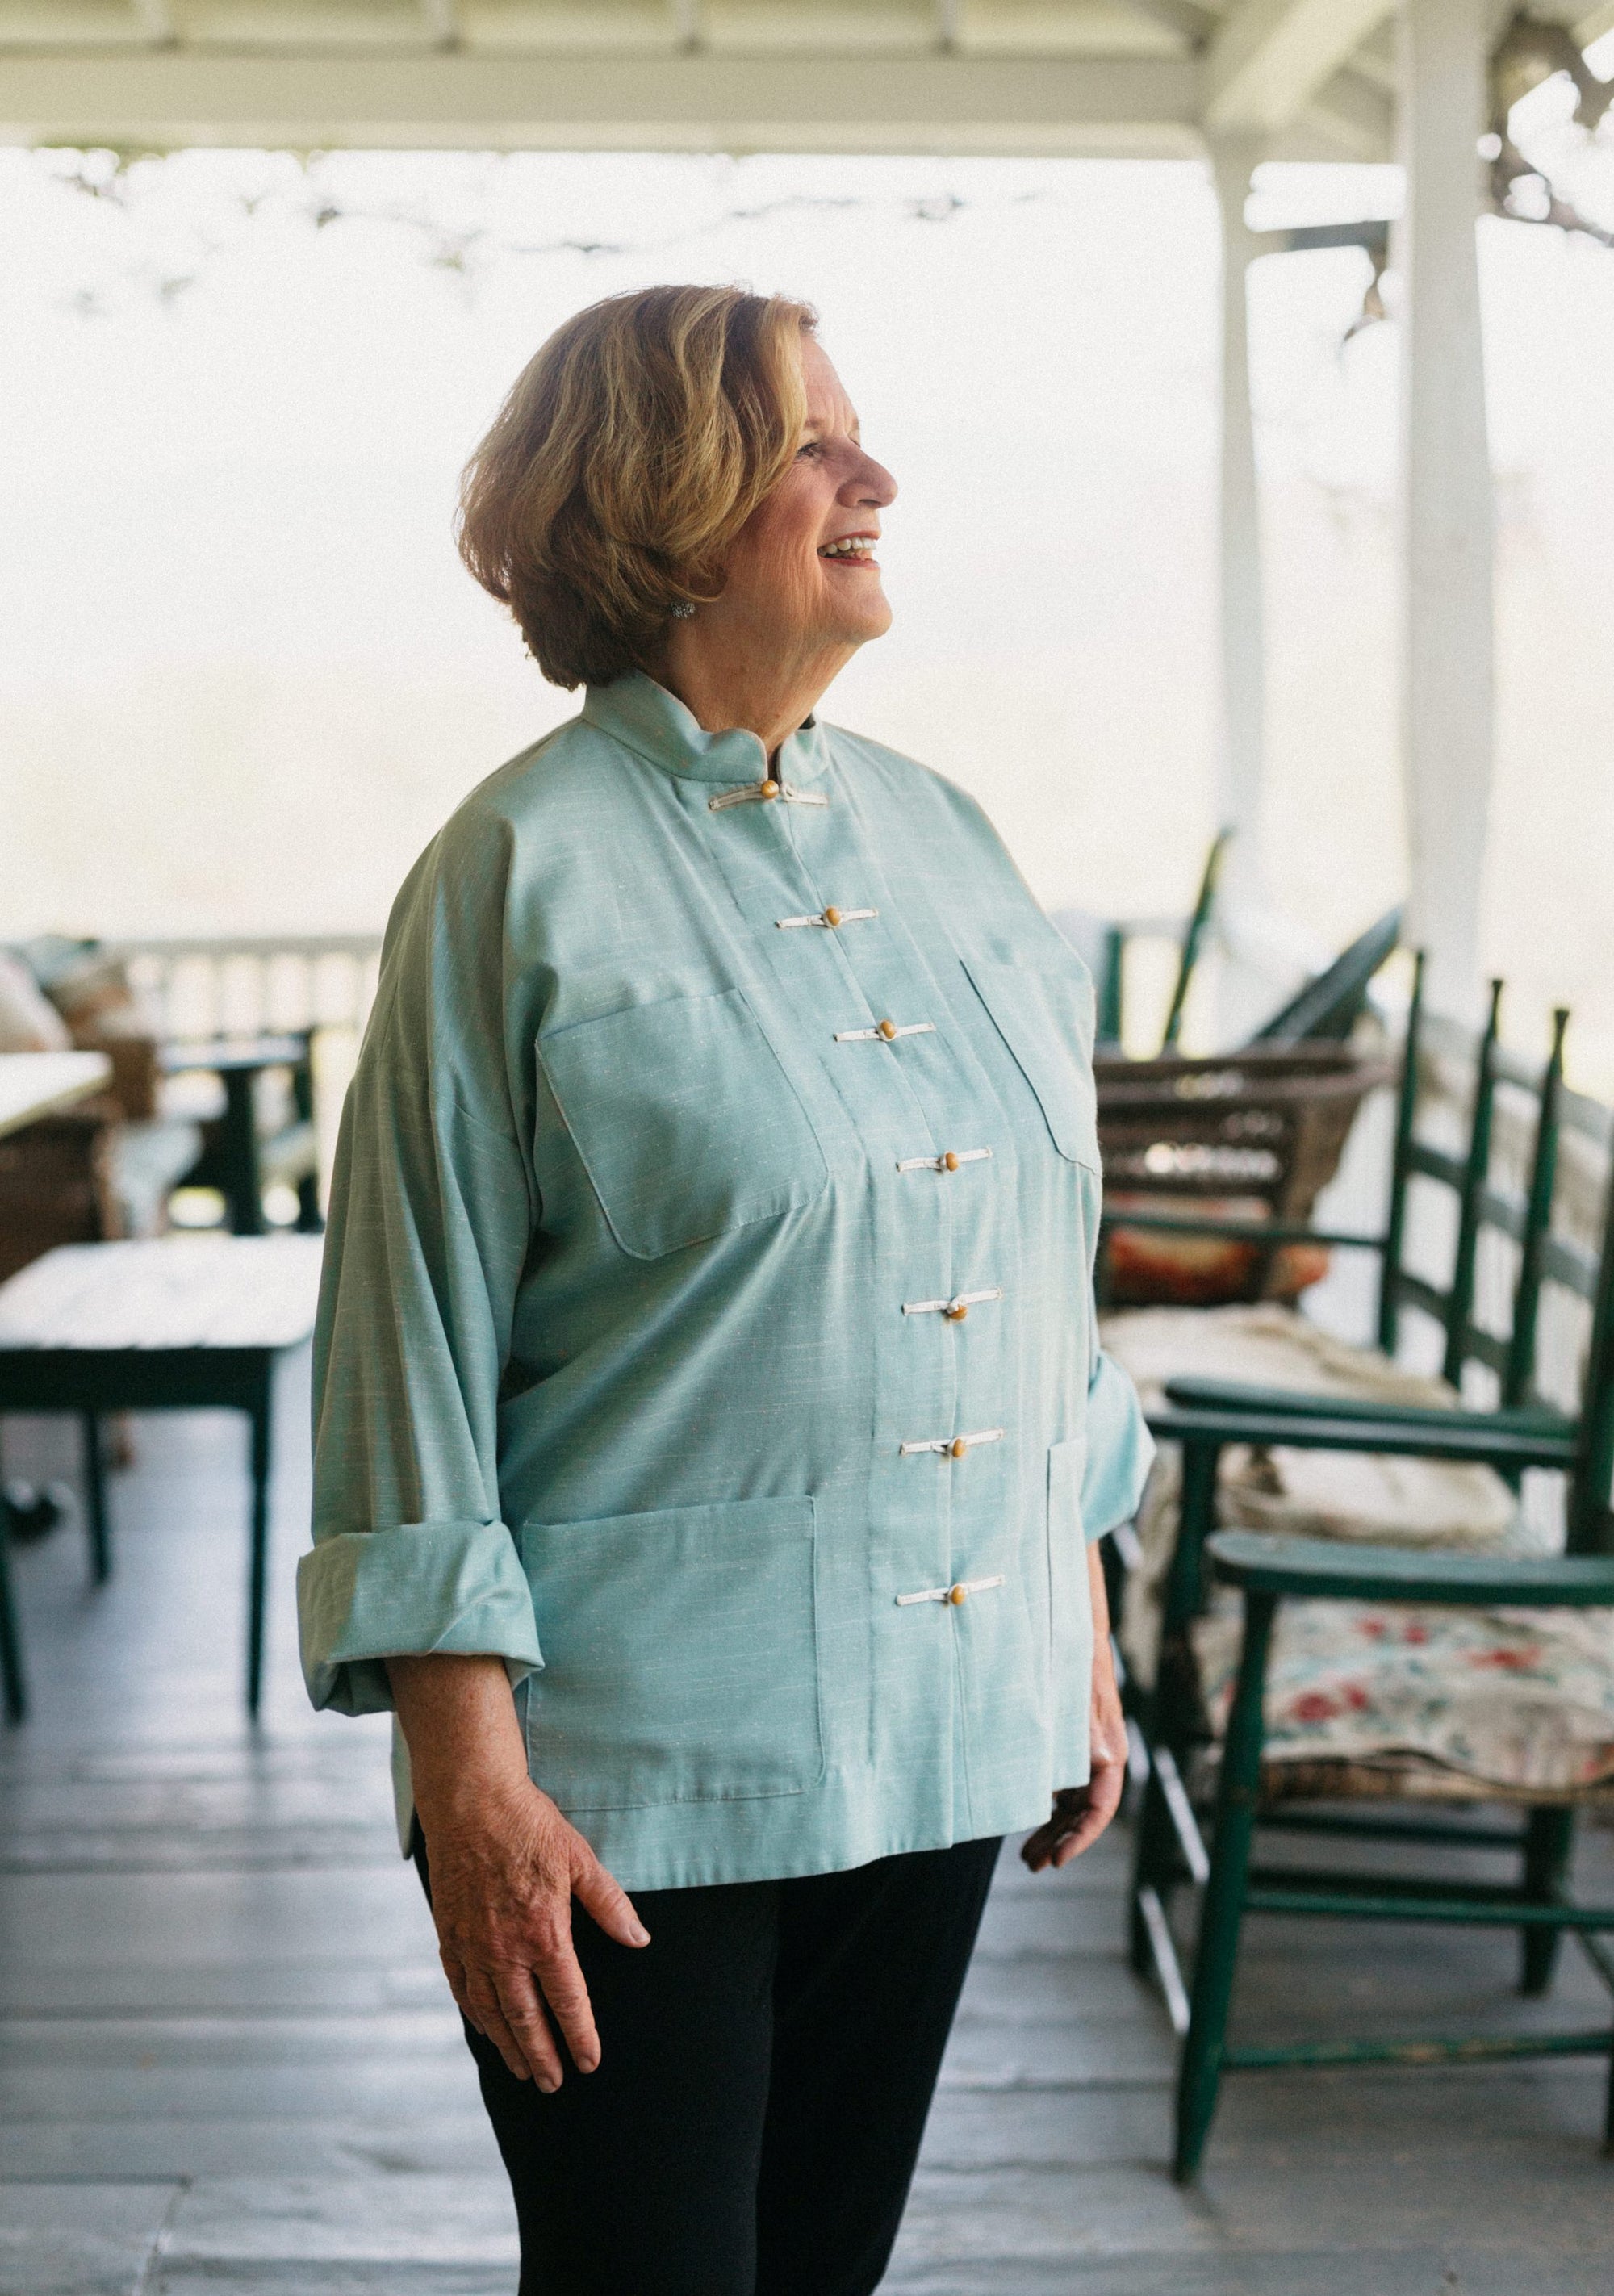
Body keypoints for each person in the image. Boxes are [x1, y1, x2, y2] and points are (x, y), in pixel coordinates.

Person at [298, 282, 1154, 2296]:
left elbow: (1043, 1279)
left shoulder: (951, 840)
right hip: (624, 1787)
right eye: (807, 445)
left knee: (820, 2272)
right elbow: (402, 1350)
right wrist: (469, 1784)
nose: (872, 477)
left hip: (951, 1734)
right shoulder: (514, 870)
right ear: (666, 515)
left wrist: (1077, 1629)